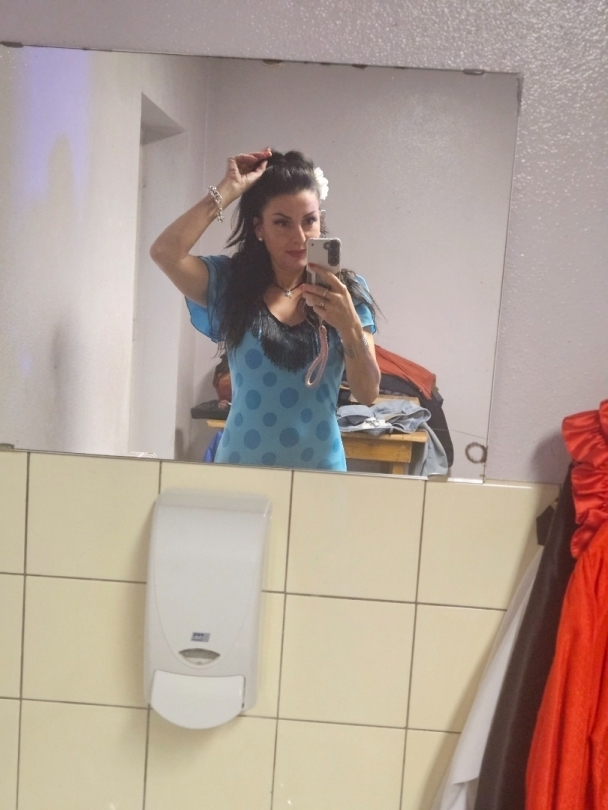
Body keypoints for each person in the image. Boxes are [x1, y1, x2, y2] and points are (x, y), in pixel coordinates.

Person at [150, 148, 380, 470]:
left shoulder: (346, 294)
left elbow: (368, 393)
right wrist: (228, 190)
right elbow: (165, 252)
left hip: (321, 476)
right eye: (282, 223)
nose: (299, 237)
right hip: (240, 471)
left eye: (309, 221)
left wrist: (350, 326)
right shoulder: (231, 284)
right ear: (259, 228)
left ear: (320, 220)